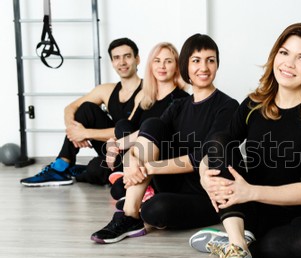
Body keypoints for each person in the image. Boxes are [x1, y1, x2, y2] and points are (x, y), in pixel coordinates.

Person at [189, 22, 301, 258]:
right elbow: (215, 148)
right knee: (219, 140)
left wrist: (250, 192)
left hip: (292, 217)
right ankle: (239, 248)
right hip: (246, 210)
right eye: (284, 53)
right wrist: (204, 174)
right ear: (275, 56)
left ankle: (235, 244)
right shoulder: (253, 104)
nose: (289, 64)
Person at [90, 33, 239, 244]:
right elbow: (146, 135)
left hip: (203, 192)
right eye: (196, 61)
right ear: (186, 65)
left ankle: (142, 201)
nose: (203, 68)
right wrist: (132, 162)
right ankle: (129, 215)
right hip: (170, 183)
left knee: (154, 210)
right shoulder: (178, 106)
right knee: (152, 124)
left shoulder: (228, 106)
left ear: (217, 64)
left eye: (210, 60)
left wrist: (147, 168)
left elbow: (202, 157)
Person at [20, 38, 143, 187]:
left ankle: (79, 171)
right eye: (116, 58)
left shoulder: (147, 90)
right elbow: (70, 108)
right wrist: (74, 131)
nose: (122, 62)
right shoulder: (106, 90)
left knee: (96, 168)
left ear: (137, 59)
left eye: (127, 56)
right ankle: (61, 166)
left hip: (134, 153)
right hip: (111, 149)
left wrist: (85, 133)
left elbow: (130, 132)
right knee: (86, 108)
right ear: (112, 62)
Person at [106, 42, 189, 204]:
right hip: (136, 155)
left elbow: (151, 131)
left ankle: (133, 179)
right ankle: (129, 174)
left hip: (161, 159)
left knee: (117, 189)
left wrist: (117, 145)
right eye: (157, 61)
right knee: (122, 124)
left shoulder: (181, 100)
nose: (162, 66)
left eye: (168, 61)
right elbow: (128, 129)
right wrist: (113, 143)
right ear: (150, 65)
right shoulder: (147, 99)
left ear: (177, 67)